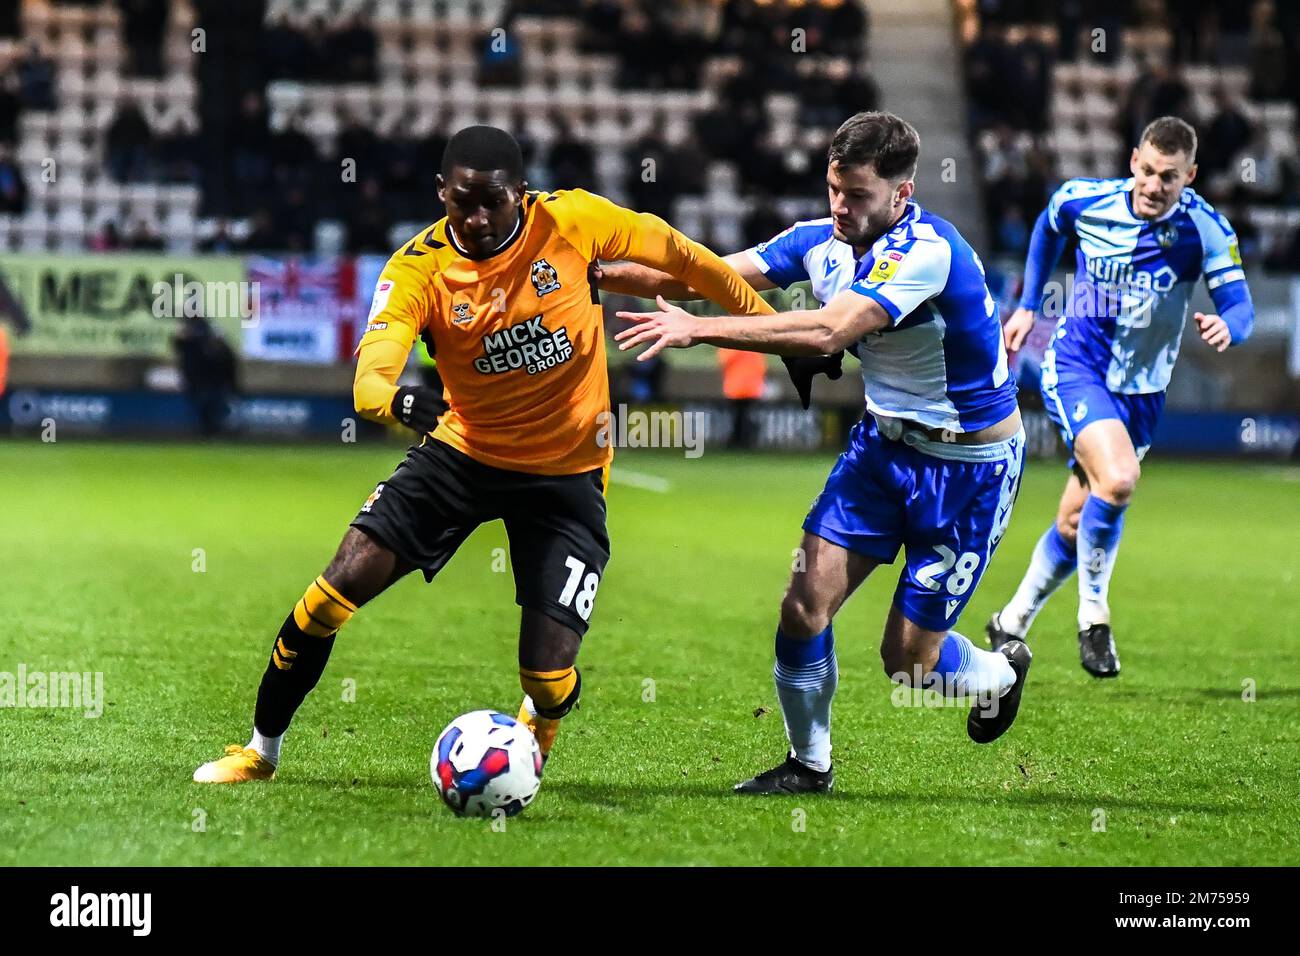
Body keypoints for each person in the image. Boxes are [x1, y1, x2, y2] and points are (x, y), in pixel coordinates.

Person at [192, 125, 774, 784]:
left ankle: (539, 720)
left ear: (520, 195)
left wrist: (763, 329)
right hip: (462, 456)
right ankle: (260, 751)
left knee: (549, 675)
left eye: (491, 201)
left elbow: (683, 256)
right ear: (441, 192)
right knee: (332, 593)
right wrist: (400, 403)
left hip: (567, 476)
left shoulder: (574, 221)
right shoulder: (421, 266)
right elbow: (372, 374)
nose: (474, 217)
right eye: (460, 201)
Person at [606, 112, 1029, 795]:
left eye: (858, 194)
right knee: (803, 605)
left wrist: (698, 331)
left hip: (967, 472)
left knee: (909, 666)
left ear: (902, 193)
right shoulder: (820, 241)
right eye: (835, 188)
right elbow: (701, 272)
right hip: (879, 454)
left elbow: (832, 330)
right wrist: (585, 268)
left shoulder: (928, 250)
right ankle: (809, 765)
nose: (841, 205)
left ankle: (1003, 671)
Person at [989, 117, 1254, 676]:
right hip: (1078, 368)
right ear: (1134, 160)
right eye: (1150, 171)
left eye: (1171, 178)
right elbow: (1046, 226)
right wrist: (1029, 304)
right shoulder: (1087, 199)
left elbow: (1241, 306)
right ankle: (1094, 618)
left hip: (1142, 394)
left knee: (1074, 521)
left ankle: (1010, 622)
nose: (1155, 186)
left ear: (1191, 176)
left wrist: (1230, 326)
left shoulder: (1204, 228)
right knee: (1120, 479)